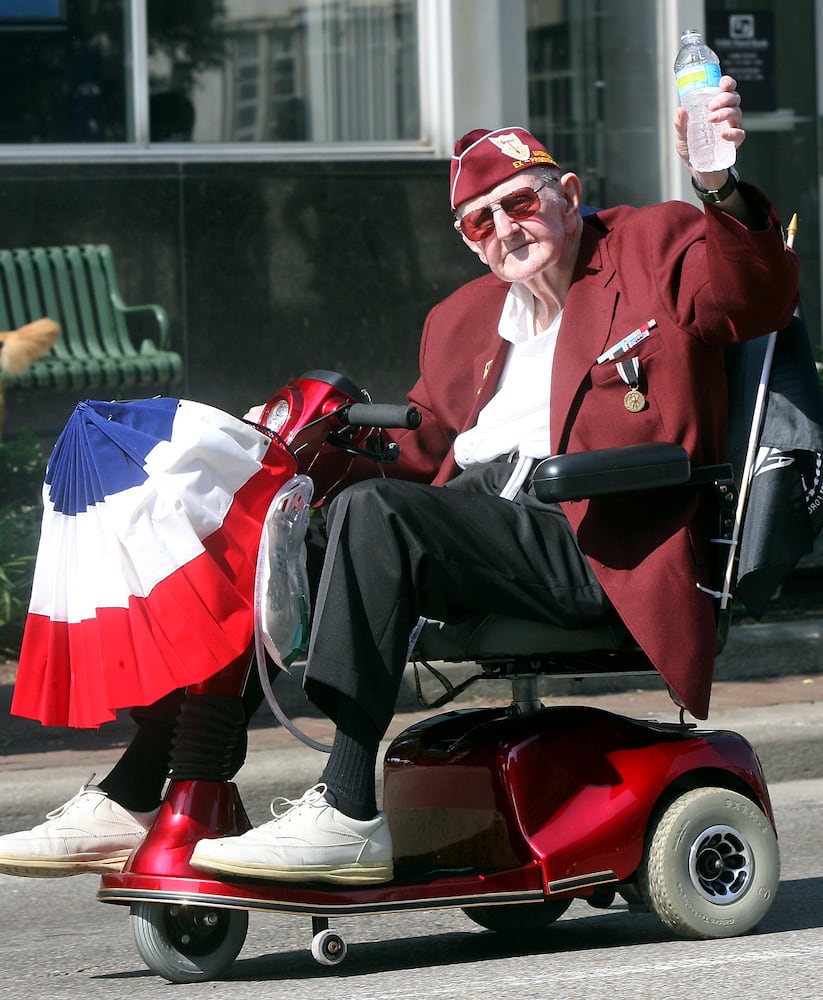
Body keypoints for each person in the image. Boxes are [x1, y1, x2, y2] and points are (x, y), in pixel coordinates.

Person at [0, 76, 799, 885]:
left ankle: (346, 809)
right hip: (482, 525)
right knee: (273, 542)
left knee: (381, 517)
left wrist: (714, 184)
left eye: (519, 205)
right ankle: (143, 791)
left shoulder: (650, 243)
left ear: (566, 192)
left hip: (601, 535)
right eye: (478, 222)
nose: (502, 231)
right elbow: (412, 459)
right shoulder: (459, 322)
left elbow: (753, 299)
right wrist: (281, 452)